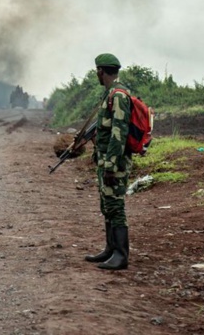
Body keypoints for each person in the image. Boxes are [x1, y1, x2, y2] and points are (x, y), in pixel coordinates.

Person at [85, 53, 132, 270]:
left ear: (101, 71)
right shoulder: (110, 93)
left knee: (115, 205)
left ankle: (121, 255)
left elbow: (118, 133)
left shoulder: (119, 95)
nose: (97, 74)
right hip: (105, 160)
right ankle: (110, 249)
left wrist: (111, 165)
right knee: (106, 204)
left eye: (97, 71)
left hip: (115, 162)